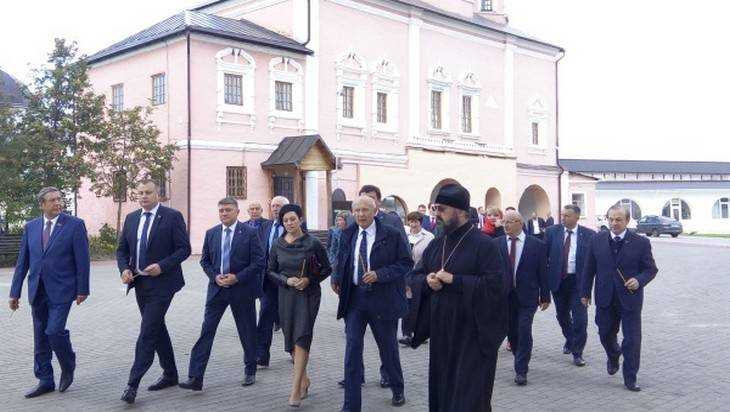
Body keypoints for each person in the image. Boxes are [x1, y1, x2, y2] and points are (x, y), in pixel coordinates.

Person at [410, 184, 507, 412]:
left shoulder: (485, 245)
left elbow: (496, 287)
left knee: (469, 398)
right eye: (435, 208)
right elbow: (414, 276)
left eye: (442, 209)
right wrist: (426, 281)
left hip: (473, 335)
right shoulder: (436, 244)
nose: (436, 214)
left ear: (461, 211)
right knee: (443, 392)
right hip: (442, 333)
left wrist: (456, 280)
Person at [9, 187, 90, 398]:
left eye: (59, 199)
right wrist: (15, 293)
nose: (58, 203)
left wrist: (83, 289)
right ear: (42, 204)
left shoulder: (74, 225)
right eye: (52, 200)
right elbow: (22, 262)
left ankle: (68, 364)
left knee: (53, 331)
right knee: (40, 337)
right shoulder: (31, 227)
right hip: (37, 290)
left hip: (62, 289)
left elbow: (83, 260)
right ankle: (45, 380)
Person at [333, 196, 412, 411]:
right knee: (352, 350)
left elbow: (406, 263)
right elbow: (342, 259)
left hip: (383, 299)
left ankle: (397, 387)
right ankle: (351, 406)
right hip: (355, 301)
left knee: (387, 348)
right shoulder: (348, 233)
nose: (361, 214)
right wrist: (337, 278)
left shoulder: (391, 234)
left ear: (375, 210)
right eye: (357, 210)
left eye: (365, 210)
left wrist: (380, 274)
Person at [117, 180, 191, 404]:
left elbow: (184, 249)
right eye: (140, 193)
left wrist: (162, 266)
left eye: (148, 192)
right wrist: (125, 269)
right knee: (156, 327)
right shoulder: (131, 218)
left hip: (164, 283)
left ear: (158, 194)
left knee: (148, 330)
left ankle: (132, 385)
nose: (144, 196)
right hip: (140, 283)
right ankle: (170, 374)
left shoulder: (172, 216)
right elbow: (122, 250)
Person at [179, 197, 264, 391]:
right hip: (217, 290)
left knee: (247, 331)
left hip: (241, 290)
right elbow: (205, 261)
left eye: (228, 210)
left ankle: (250, 370)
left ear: (237, 212)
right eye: (221, 210)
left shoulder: (250, 233)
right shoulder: (212, 233)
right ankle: (195, 377)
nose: (224, 213)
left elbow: (258, 262)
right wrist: (214, 276)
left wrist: (237, 278)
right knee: (206, 331)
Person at [581, 205, 658, 392]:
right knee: (605, 333)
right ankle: (614, 354)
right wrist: (585, 293)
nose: (614, 223)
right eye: (611, 219)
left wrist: (639, 280)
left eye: (618, 220)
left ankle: (630, 377)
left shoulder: (641, 242)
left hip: (630, 299)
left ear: (627, 221)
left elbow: (650, 269)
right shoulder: (596, 240)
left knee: (632, 339)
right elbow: (589, 269)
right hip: (604, 297)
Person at [267, 204, 332, 407]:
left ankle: (295, 389)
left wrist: (309, 280)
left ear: (300, 219)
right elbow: (270, 271)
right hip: (286, 295)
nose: (289, 223)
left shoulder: (313, 243)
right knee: (290, 338)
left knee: (302, 336)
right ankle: (304, 379)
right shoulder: (277, 244)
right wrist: (286, 280)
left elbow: (327, 268)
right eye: (285, 220)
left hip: (308, 295)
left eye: (292, 219)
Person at [496, 210, 550, 386]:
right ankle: (518, 354)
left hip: (528, 296)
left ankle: (521, 369)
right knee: (512, 331)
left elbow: (543, 272)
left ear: (519, 223)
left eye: (509, 222)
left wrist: (545, 295)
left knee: (524, 329)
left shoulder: (537, 245)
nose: (505, 225)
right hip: (505, 296)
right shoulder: (496, 244)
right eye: (504, 222)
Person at [544, 205, 596, 366]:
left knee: (580, 319)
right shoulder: (552, 232)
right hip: (558, 281)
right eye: (562, 215)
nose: (563, 218)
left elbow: (594, 262)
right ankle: (570, 338)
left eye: (567, 216)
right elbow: (543, 257)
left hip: (578, 283)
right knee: (562, 315)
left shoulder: (589, 235)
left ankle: (577, 352)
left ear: (576, 217)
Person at [255, 195, 289, 368]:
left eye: (279, 206)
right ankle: (262, 355)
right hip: (268, 280)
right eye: (273, 206)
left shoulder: (293, 226)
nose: (275, 208)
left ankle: (294, 350)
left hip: (287, 281)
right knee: (265, 315)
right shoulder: (265, 226)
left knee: (289, 317)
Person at [399, 211, 434, 346]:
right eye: (411, 221)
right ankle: (407, 334)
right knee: (407, 303)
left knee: (420, 303)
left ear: (420, 222)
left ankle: (420, 333)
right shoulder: (404, 235)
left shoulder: (429, 237)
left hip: (421, 274)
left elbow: (431, 256)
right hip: (406, 274)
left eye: (415, 221)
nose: (413, 224)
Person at [328, 211, 349, 285]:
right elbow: (333, 250)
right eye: (337, 220)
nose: (338, 222)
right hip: (337, 263)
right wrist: (332, 262)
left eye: (340, 220)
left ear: (346, 221)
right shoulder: (336, 233)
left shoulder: (353, 232)